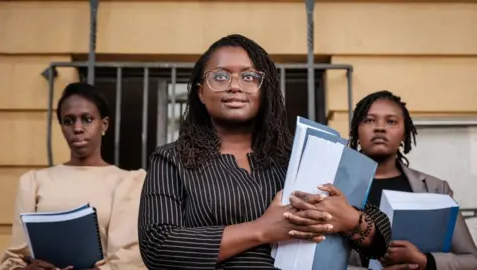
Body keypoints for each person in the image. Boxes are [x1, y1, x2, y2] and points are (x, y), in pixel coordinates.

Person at [138, 34, 391, 269]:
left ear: (265, 90)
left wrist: (350, 220)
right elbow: (157, 246)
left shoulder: (301, 156)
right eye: (220, 76)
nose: (235, 86)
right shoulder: (172, 159)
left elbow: (381, 236)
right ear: (201, 92)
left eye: (249, 77)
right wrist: (263, 229)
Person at [0, 82, 147, 270]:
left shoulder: (128, 182)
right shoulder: (33, 182)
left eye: (87, 119)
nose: (77, 128)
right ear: (61, 127)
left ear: (104, 124)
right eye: (69, 121)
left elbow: (131, 255)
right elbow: (16, 257)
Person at [347, 90, 477, 270]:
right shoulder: (335, 188)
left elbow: (471, 261)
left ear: (404, 134)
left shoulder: (435, 188)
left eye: (391, 121)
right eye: (369, 120)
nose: (380, 127)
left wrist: (425, 261)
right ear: (355, 132)